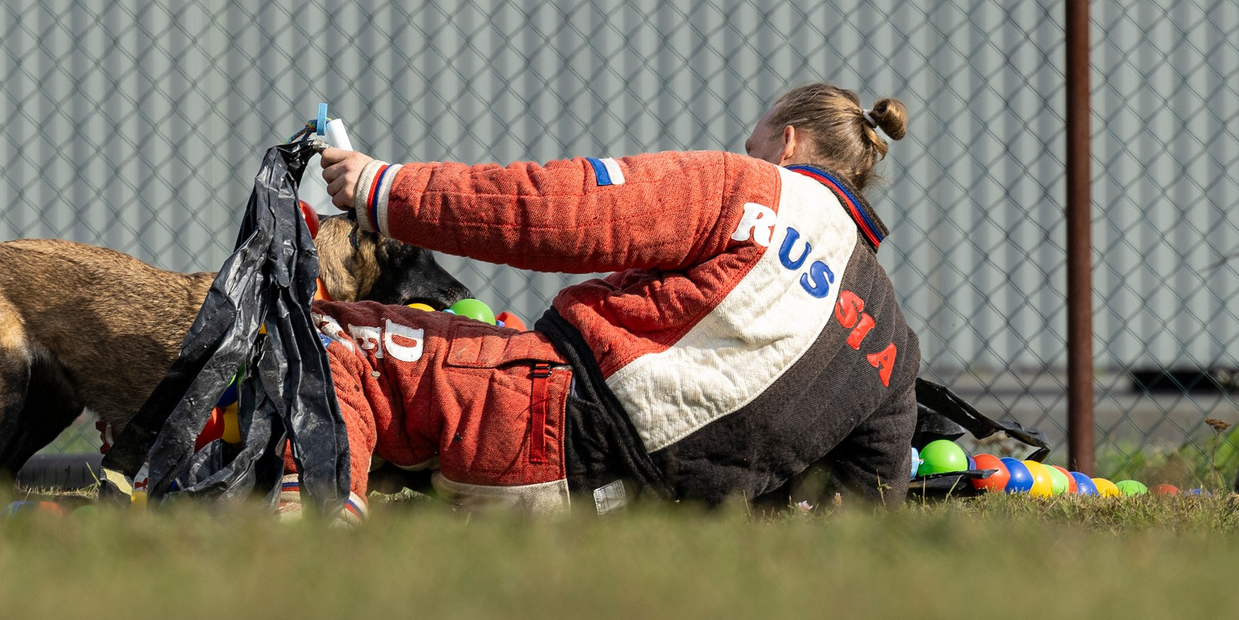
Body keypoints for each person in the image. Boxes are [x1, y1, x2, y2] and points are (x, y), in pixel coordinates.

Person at [313, 84, 918, 516]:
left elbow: (557, 211)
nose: (746, 152)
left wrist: (382, 187)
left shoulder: (748, 187)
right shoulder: (892, 336)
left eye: (753, 142)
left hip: (552, 427)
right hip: (654, 519)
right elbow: (862, 507)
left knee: (325, 342)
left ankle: (311, 530)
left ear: (786, 145)